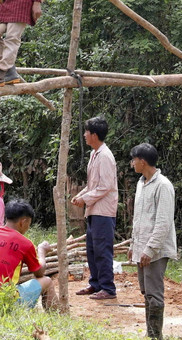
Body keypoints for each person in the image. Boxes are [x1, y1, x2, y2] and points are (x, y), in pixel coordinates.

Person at [0, 199, 58, 310]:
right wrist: (41, 251)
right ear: (23, 222)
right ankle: (60, 318)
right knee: (47, 282)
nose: (28, 227)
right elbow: (39, 273)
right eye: (29, 223)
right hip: (3, 301)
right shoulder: (25, 243)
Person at [129, 143, 177, 340]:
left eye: (133, 160)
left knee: (154, 294)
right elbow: (139, 219)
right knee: (146, 292)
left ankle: (156, 336)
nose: (132, 164)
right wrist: (134, 245)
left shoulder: (163, 185)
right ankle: (151, 333)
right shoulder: (141, 184)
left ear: (142, 161)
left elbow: (163, 223)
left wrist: (150, 249)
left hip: (155, 250)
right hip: (142, 248)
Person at [71, 116, 119, 300]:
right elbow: (93, 184)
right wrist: (81, 195)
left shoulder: (105, 156)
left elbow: (105, 186)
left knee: (102, 250)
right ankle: (96, 283)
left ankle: (108, 288)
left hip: (103, 211)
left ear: (94, 135)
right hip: (94, 210)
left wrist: (85, 199)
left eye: (86, 132)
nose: (84, 135)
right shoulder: (94, 154)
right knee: (92, 249)